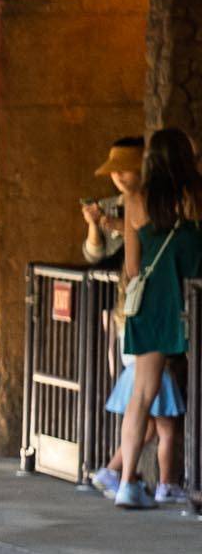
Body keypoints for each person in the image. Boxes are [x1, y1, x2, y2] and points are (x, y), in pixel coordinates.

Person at [93, 127, 202, 510]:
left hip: (154, 307)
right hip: (194, 300)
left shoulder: (135, 200)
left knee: (141, 395)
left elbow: (133, 266)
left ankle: (126, 483)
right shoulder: (194, 196)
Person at [79, 134, 142, 265]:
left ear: (142, 169)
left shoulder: (155, 205)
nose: (117, 174)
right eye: (113, 169)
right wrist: (93, 224)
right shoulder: (106, 206)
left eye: (124, 168)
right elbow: (93, 257)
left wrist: (124, 228)